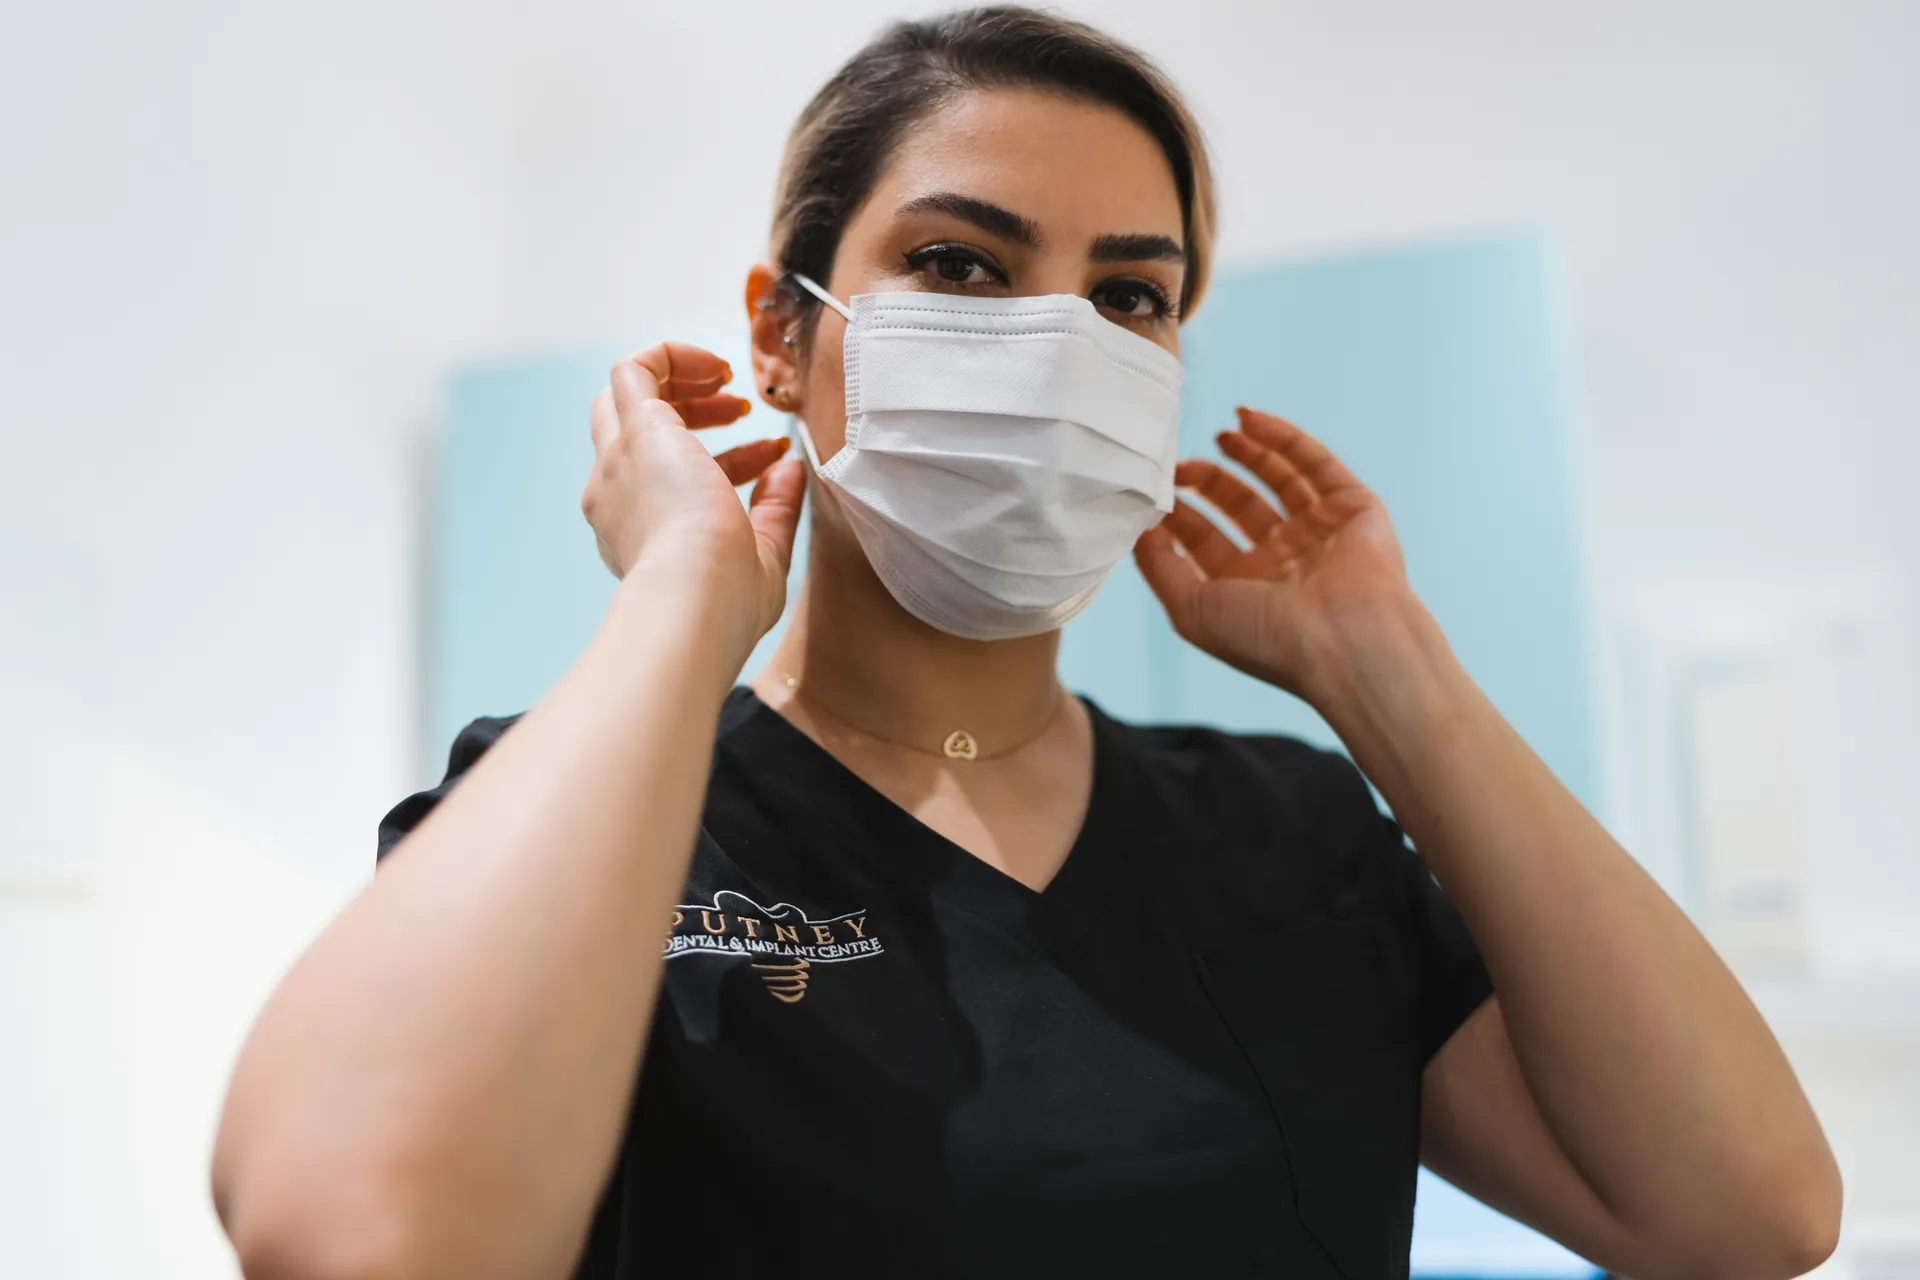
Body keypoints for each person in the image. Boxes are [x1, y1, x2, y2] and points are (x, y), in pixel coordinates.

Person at [211, 8, 1841, 1278]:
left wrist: (1386, 672)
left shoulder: (1287, 839)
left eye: (1131, 298)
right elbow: (362, 1232)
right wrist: (678, 605)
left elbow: (1745, 1214)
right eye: (957, 266)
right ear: (784, 332)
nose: (1055, 342)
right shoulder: (587, 812)